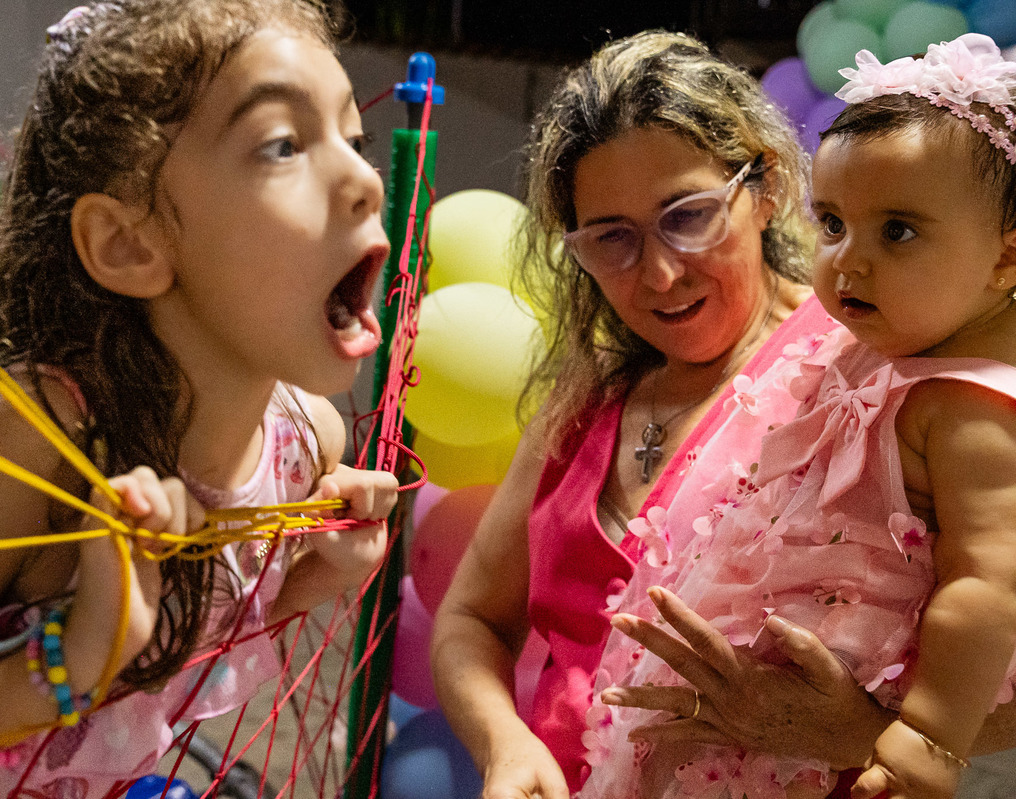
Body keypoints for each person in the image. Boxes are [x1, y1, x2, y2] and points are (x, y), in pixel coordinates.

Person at [0, 1, 398, 797]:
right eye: (284, 144)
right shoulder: (35, 441)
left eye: (353, 141)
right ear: (130, 243)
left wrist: (309, 581)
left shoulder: (305, 448)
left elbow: (181, 666)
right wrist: (69, 661)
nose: (365, 180)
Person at [429, 30, 1016, 799]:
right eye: (613, 240)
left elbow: (994, 602)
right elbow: (469, 619)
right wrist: (505, 744)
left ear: (765, 186)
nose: (662, 270)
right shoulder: (588, 403)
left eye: (688, 215)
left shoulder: (876, 363)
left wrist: (866, 730)